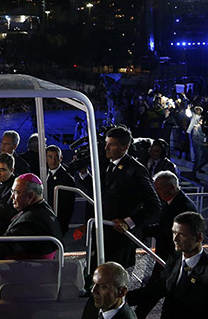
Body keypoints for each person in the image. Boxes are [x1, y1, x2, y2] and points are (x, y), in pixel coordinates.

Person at [127, 212, 208, 319]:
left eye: (181, 234)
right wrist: (125, 298)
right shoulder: (175, 257)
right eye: (174, 233)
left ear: (198, 238)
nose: (175, 239)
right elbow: (161, 286)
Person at [92, 126, 161, 269]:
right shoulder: (108, 164)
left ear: (125, 147)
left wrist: (128, 222)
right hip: (104, 233)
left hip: (121, 240)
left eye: (111, 144)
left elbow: (154, 206)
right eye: (106, 143)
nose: (106, 148)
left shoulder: (136, 170)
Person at [0, 173, 63, 283]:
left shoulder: (32, 220)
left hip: (25, 271)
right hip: (30, 265)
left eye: (16, 192)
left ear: (30, 197)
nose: (11, 197)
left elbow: (6, 246)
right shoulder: (41, 208)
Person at [135, 171, 197, 318]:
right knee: (157, 292)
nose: (157, 192)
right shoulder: (174, 202)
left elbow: (166, 230)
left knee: (154, 291)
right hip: (169, 258)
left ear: (173, 187)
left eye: (160, 189)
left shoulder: (181, 206)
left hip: (172, 258)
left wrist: (140, 231)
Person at [45, 145, 76, 236]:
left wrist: (60, 224)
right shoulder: (43, 173)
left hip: (57, 221)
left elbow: (67, 206)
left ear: (61, 158)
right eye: (50, 157)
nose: (53, 160)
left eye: (56, 157)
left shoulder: (66, 177)